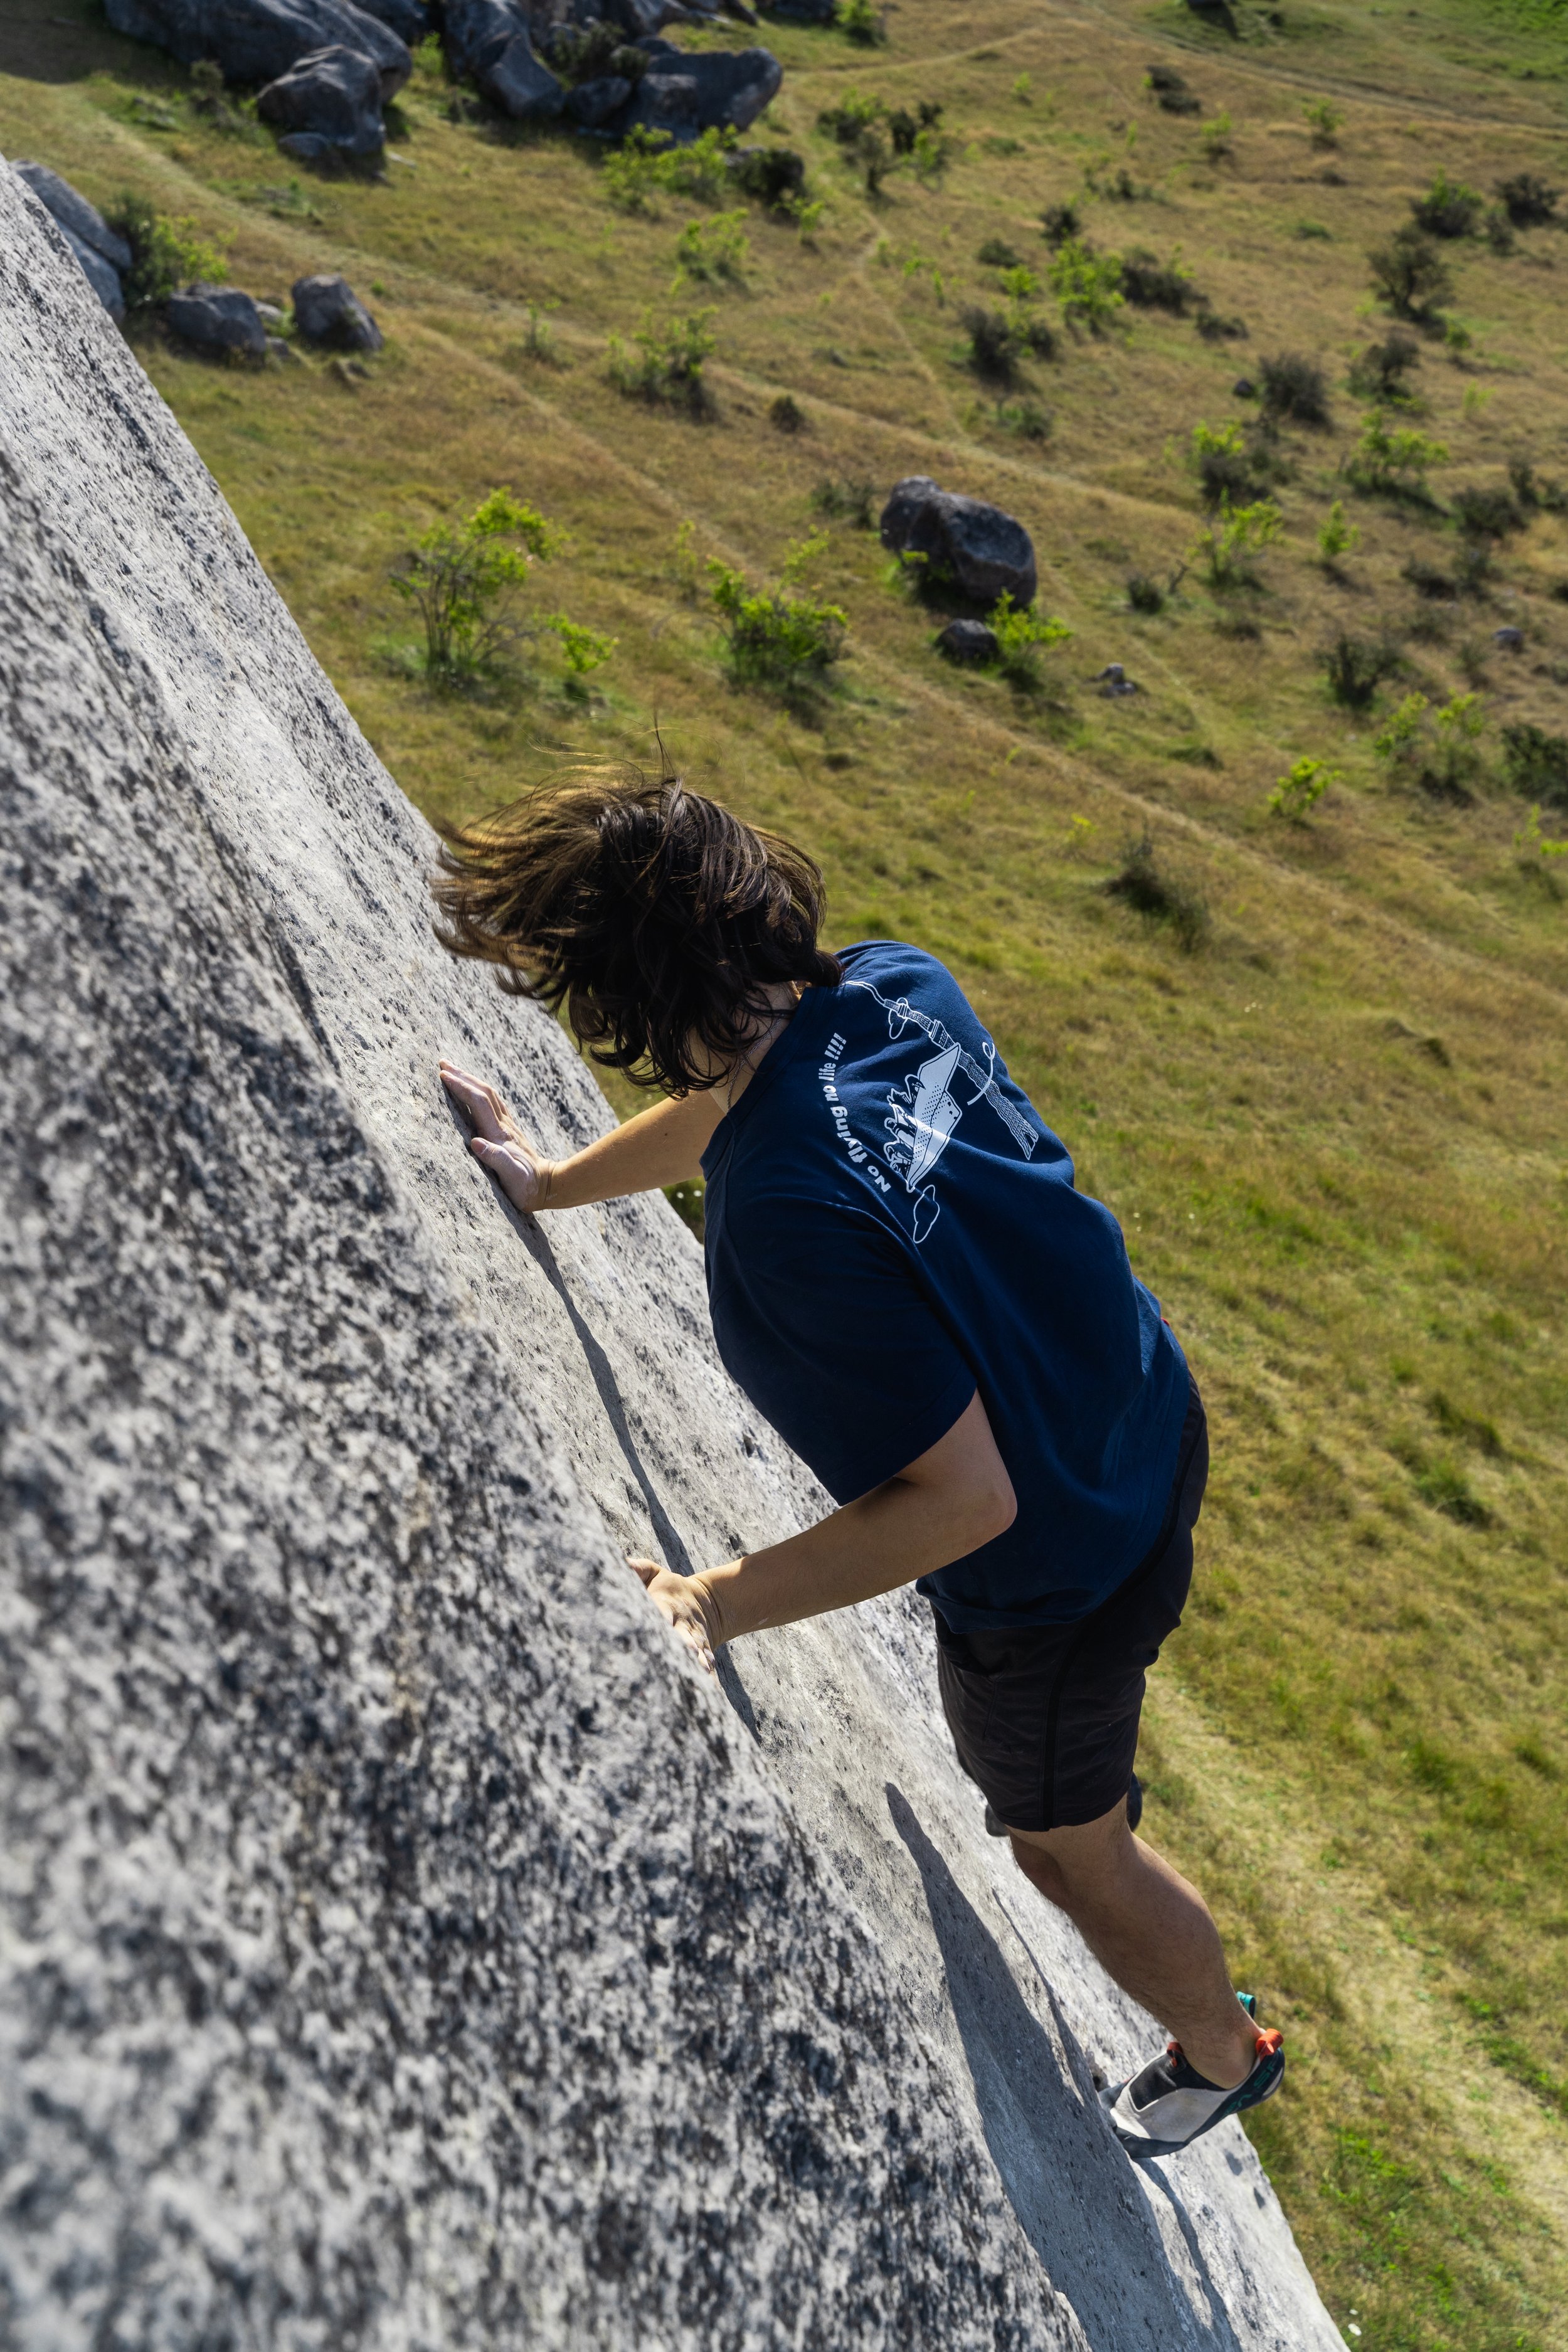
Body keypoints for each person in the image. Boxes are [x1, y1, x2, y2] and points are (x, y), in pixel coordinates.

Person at [431, 765, 1284, 2163]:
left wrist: (708, 1601)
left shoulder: (785, 1216)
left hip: (1062, 1551)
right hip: (1133, 1397)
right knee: (1054, 1793)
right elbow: (731, 1109)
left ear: (625, 994)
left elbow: (963, 1502)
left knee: (1066, 1848)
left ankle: (1219, 2051)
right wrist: (552, 1180)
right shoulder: (885, 982)